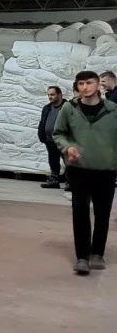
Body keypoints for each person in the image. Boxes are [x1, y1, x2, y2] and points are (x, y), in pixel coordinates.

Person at [52, 70, 117, 275]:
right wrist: (67, 148)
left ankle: (97, 253)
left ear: (98, 85)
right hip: (79, 170)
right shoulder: (69, 109)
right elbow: (58, 133)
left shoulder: (113, 110)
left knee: (102, 213)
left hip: (106, 170)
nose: (85, 87)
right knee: (80, 213)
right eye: (81, 84)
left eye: (89, 83)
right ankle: (82, 256)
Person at [38, 86, 68, 190]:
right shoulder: (47, 108)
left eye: (52, 94)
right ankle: (54, 181)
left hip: (64, 140)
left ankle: (70, 183)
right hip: (50, 140)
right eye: (48, 95)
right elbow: (42, 122)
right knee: (53, 161)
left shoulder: (67, 107)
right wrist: (41, 134)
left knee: (68, 162)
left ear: (59, 95)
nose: (50, 97)